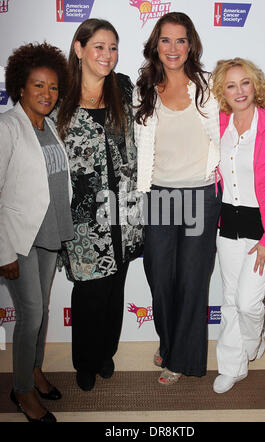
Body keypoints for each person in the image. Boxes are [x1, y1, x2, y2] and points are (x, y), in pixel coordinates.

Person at [133, 12, 265, 385]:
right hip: (158, 194)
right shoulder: (142, 88)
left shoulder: (208, 87)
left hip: (202, 195)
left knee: (192, 282)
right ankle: (168, 341)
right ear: (155, 45)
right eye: (166, 40)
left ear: (192, 45)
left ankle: (182, 360)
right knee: (160, 280)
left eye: (181, 40)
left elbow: (250, 114)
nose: (173, 49)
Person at [56, 18, 143, 392]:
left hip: (123, 210)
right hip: (81, 217)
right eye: (99, 47)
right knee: (89, 293)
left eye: (113, 47)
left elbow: (169, 112)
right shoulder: (58, 97)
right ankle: (85, 362)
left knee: (115, 289)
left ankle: (106, 352)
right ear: (79, 49)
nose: (107, 55)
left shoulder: (123, 88)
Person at [211, 58, 265, 394]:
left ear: (255, 85)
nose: (239, 91)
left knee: (248, 302)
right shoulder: (217, 124)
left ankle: (253, 341)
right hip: (227, 223)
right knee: (230, 299)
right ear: (222, 92)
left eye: (245, 83)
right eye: (231, 85)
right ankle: (233, 366)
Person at [0, 42, 73, 422]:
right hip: (19, 238)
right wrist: (3, 252)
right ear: (20, 86)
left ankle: (34, 369)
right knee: (29, 315)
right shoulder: (7, 127)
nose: (47, 94)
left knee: (41, 311)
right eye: (38, 86)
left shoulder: (46, 126)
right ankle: (22, 391)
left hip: (49, 233)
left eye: (53, 87)